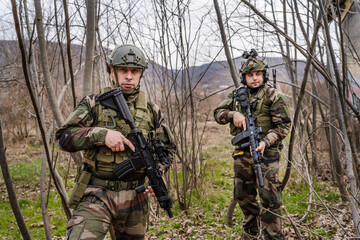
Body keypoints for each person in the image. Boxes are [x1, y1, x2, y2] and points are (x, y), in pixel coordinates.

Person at [56, 44, 175, 239]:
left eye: (134, 71)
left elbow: (168, 149)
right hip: (97, 193)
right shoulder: (94, 103)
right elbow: (64, 137)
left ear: (141, 74)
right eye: (123, 70)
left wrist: (157, 173)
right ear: (112, 71)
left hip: (136, 197)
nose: (129, 76)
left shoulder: (152, 110)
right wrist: (100, 135)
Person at [214, 49, 291, 240]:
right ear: (244, 77)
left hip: (267, 154)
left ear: (263, 75)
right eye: (250, 75)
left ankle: (273, 235)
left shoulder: (273, 95)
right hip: (242, 153)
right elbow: (218, 113)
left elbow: (284, 125)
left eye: (258, 74)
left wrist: (266, 141)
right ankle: (251, 232)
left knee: (270, 198)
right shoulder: (237, 95)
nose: (254, 78)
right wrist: (234, 115)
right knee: (243, 195)